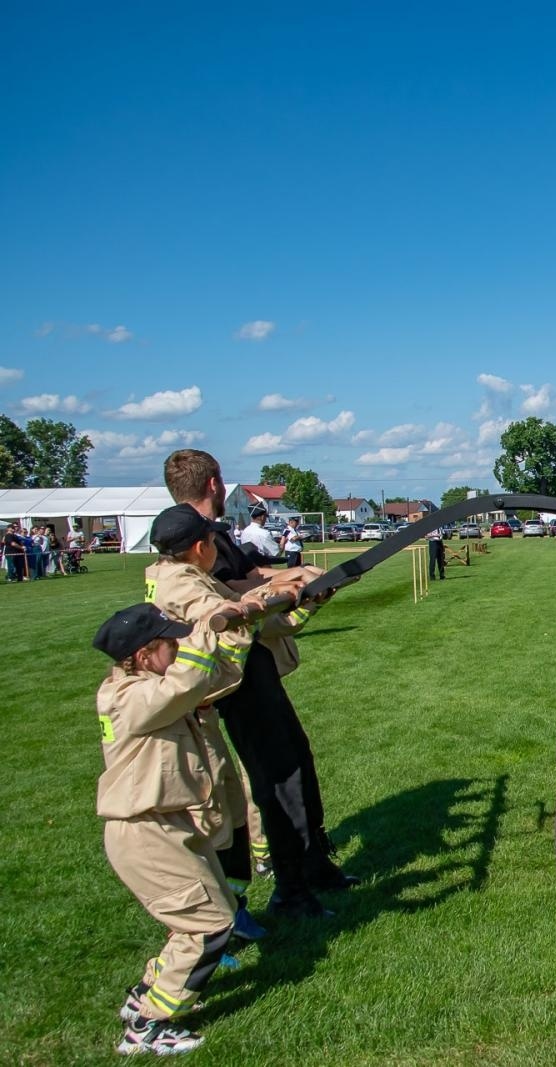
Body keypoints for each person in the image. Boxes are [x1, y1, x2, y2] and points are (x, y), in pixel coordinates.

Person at [162, 449, 355, 920]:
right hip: (237, 679)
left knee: (297, 760)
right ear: (214, 484)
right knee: (278, 777)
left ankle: (313, 865)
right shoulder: (194, 544)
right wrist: (289, 590)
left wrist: (298, 584)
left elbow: (245, 582)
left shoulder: (204, 538)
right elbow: (233, 599)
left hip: (255, 668)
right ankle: (290, 889)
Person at [92, 602, 252, 1055]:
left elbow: (217, 677)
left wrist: (241, 625)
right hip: (144, 831)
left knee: (203, 916)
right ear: (144, 656)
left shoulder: (157, 688)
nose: (180, 647)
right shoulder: (128, 698)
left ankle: (146, 995)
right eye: (170, 643)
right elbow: (189, 678)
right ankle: (150, 1026)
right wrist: (205, 627)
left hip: (171, 825)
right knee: (209, 925)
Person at [144, 505, 284, 943]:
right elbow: (219, 616)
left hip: (198, 711)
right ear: (201, 547)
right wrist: (245, 610)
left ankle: (235, 908)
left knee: (229, 803)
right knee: (213, 813)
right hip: (189, 717)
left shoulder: (175, 571)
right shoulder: (183, 582)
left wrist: (290, 605)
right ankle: (213, 926)